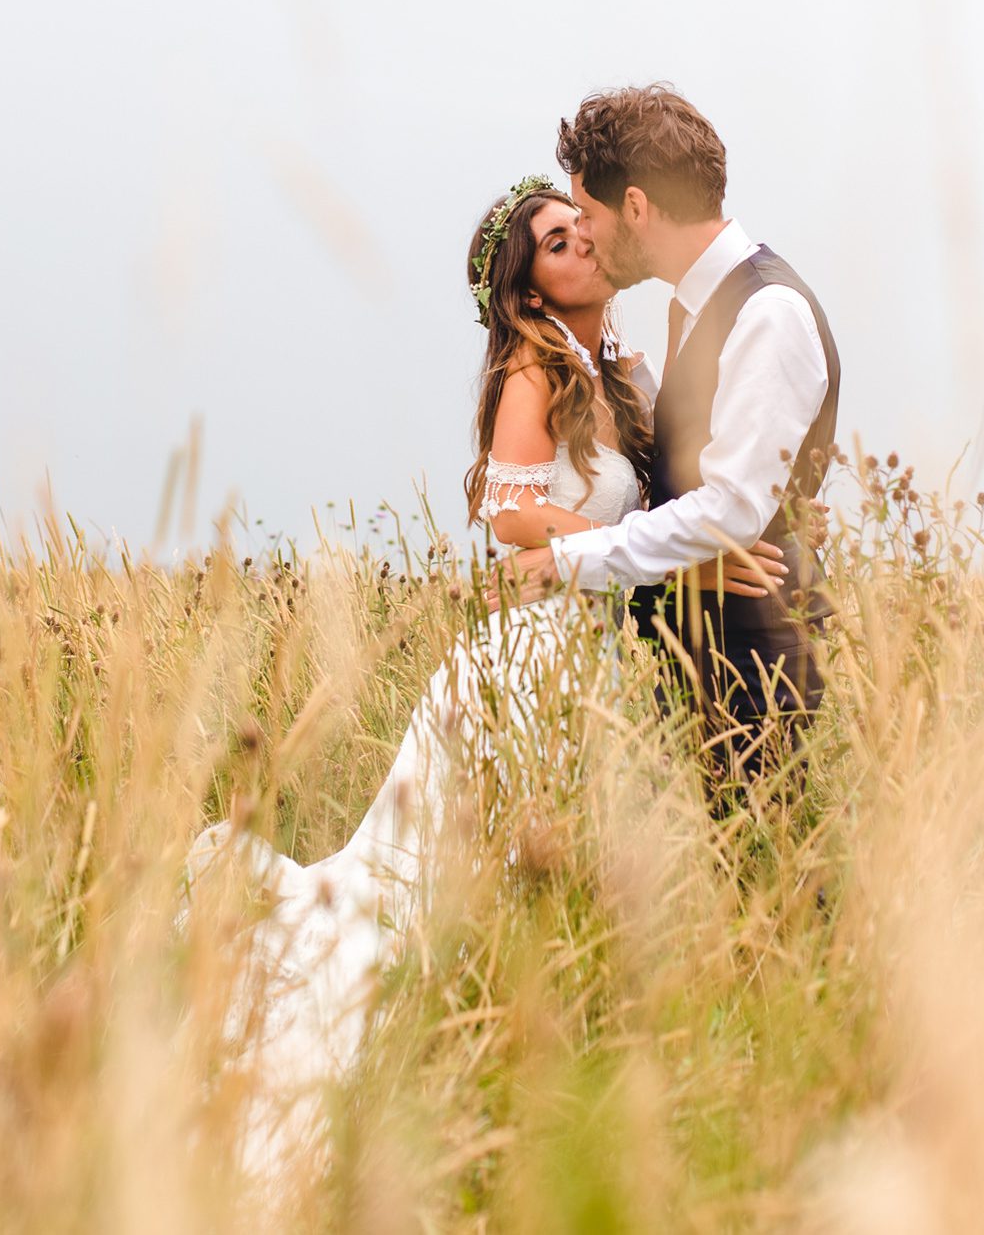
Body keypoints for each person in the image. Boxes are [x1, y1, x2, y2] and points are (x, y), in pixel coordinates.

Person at [183, 176, 781, 1176]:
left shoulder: (622, 369)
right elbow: (510, 520)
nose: (581, 244)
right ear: (530, 289)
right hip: (527, 662)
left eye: (578, 228)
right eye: (555, 242)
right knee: (448, 880)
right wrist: (669, 550)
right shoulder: (532, 374)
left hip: (597, 654)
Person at [508, 85, 842, 798]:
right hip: (693, 663)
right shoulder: (689, 307)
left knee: (763, 887)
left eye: (589, 215)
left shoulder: (767, 310)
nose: (587, 237)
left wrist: (563, 559)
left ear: (636, 206)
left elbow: (728, 510)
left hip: (756, 669)